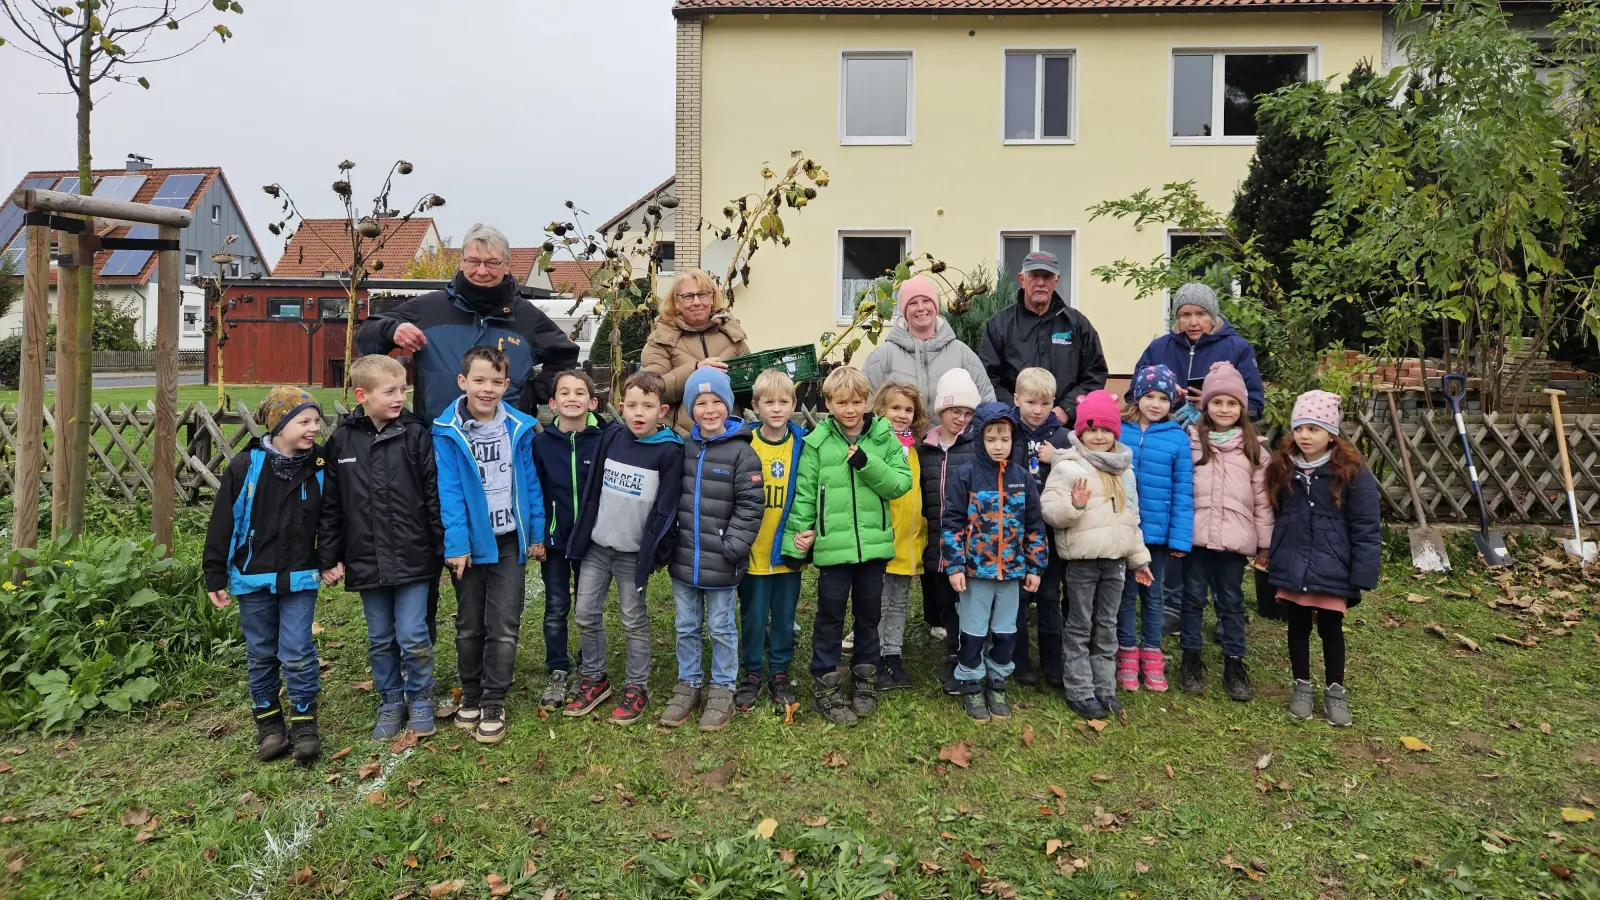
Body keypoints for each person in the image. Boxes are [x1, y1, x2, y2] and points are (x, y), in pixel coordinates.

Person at [356, 222, 579, 642]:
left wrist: (529, 391)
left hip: (502, 453)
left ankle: (489, 640)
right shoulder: (428, 308)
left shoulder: (526, 316)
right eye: (473, 261)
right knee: (428, 544)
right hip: (434, 448)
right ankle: (417, 646)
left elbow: (564, 359)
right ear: (460, 262)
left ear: (507, 265)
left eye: (492, 263)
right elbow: (365, 339)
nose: (481, 270)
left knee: (494, 543)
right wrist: (390, 330)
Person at [318, 355, 444, 740]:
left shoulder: (416, 434)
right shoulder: (341, 441)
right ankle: (391, 697)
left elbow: (433, 494)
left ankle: (421, 694)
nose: (399, 397)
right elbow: (332, 505)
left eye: (403, 389)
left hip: (413, 555)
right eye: (390, 391)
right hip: (365, 558)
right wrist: (329, 555)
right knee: (381, 636)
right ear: (362, 395)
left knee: (412, 633)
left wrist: (442, 548)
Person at [781, 366, 913, 726]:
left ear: (867, 401)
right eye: (842, 402)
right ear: (828, 402)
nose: (851, 409)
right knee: (830, 616)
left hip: (873, 547)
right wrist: (799, 537)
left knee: (869, 615)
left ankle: (865, 678)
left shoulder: (884, 437)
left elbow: (901, 483)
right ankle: (826, 683)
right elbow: (806, 493)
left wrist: (867, 464)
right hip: (833, 549)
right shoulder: (818, 443)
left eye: (857, 401)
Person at [204, 386, 328, 765]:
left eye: (316, 420)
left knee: (296, 650)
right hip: (252, 577)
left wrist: (331, 557)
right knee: (261, 652)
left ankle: (305, 722)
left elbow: (333, 518)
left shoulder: (320, 465)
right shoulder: (245, 467)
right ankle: (270, 724)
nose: (314, 428)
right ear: (279, 425)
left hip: (300, 577)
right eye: (304, 421)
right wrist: (215, 575)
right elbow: (223, 522)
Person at [432, 347, 546, 745]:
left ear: (506, 386)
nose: (488, 389)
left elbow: (529, 483)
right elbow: (448, 491)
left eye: (496, 382)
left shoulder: (519, 427)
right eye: (479, 380)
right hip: (470, 545)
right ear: (463, 382)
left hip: (509, 540)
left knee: (504, 624)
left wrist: (534, 533)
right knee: (469, 623)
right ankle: (472, 689)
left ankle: (494, 697)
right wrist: (457, 543)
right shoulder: (446, 431)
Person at [564, 370, 684, 725]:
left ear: (661, 410)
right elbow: (592, 490)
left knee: (633, 619)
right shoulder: (612, 436)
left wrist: (658, 553)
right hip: (599, 547)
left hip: (633, 554)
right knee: (585, 612)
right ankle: (595, 677)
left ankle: (637, 686)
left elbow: (668, 507)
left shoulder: (669, 451)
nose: (638, 413)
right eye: (631, 405)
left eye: (647, 406)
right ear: (621, 407)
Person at [1264, 391, 1381, 728]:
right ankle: (1302, 685)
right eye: (1300, 428)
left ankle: (1335, 691)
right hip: (1294, 562)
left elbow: (1365, 524)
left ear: (1331, 433)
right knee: (1297, 626)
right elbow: (1275, 512)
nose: (1305, 436)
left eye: (1314, 429)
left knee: (1331, 628)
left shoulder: (1351, 470)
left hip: (1333, 564)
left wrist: (1362, 572)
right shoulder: (1283, 466)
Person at [662, 368, 764, 732]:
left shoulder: (742, 453)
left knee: (721, 626)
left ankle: (723, 685)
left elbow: (751, 506)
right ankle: (689, 681)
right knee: (686, 625)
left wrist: (733, 546)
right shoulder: (682, 448)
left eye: (716, 401)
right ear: (690, 408)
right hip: (684, 558)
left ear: (728, 405)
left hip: (721, 560)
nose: (709, 410)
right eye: (700, 403)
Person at [1041, 390, 1154, 722]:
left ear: (1115, 432)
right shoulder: (1068, 465)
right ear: (1081, 432)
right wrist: (1074, 506)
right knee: (1080, 625)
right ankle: (1079, 689)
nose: (1099, 436)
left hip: (1115, 563)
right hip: (1082, 563)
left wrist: (1139, 559)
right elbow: (1050, 510)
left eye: (1105, 430)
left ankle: (1105, 688)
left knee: (1107, 625)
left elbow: (1130, 518)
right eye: (1092, 429)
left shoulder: (1124, 470)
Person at [941, 403, 1050, 723]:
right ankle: (972, 682)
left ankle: (997, 681)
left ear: (1013, 439)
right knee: (973, 632)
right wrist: (955, 565)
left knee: (1006, 631)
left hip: (1013, 572)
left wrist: (1035, 567)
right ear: (980, 440)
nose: (998, 445)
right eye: (991, 439)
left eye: (1004, 439)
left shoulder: (1022, 479)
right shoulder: (966, 476)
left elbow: (1034, 525)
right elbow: (952, 524)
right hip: (975, 572)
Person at [1180, 361, 1273, 703]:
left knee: (1231, 602)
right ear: (1205, 405)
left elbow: (1263, 500)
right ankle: (1191, 659)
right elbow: (1181, 490)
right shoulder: (1190, 443)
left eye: (1231, 403)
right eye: (1217, 402)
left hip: (1234, 542)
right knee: (1192, 599)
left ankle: (1235, 663)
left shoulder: (1255, 450)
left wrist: (1264, 543)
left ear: (1242, 408)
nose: (1224, 409)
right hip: (1195, 538)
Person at [530, 370, 606, 712]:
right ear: (552, 403)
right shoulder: (541, 444)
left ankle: (589, 667)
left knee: (588, 609)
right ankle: (558, 669)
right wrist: (540, 535)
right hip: (556, 542)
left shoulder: (605, 439)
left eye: (580, 392)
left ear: (592, 402)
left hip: (593, 542)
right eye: (564, 392)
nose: (571, 398)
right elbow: (536, 492)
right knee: (556, 606)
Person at [1116, 365, 1193, 694]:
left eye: (1164, 398)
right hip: (1125, 530)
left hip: (1158, 536)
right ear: (1137, 396)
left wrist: (1179, 538)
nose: (1156, 403)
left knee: (1154, 596)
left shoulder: (1177, 438)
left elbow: (1183, 491)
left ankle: (1151, 654)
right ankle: (1127, 654)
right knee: (1126, 595)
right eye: (1150, 396)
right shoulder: (1121, 431)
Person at [737, 369, 807, 714]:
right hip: (752, 549)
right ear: (755, 405)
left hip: (788, 548)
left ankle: (779, 670)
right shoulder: (743, 442)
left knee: (783, 614)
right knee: (752, 615)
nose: (776, 409)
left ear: (794, 404)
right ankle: (751, 670)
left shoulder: (804, 444)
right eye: (769, 402)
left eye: (783, 401)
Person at [979, 251, 1107, 425]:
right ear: (1022, 279)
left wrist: (1066, 409)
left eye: (1047, 276)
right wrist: (1015, 411)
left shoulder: (1077, 324)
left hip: (1065, 429)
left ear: (1056, 279)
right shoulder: (1000, 324)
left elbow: (1095, 374)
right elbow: (987, 377)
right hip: (1013, 427)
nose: (1040, 282)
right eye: (1034, 276)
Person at [916, 368, 982, 695]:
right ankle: (953, 654)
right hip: (933, 542)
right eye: (956, 411)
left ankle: (964, 660)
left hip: (967, 545)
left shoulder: (976, 447)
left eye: (968, 413)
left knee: (965, 603)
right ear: (941, 409)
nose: (962, 418)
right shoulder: (924, 449)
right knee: (943, 603)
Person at [1011, 367, 1073, 689]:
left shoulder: (1062, 438)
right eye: (1031, 402)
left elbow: (1078, 470)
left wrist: (1058, 457)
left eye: (1045, 404)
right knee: (1018, 599)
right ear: (1017, 399)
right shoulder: (1009, 433)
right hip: (1015, 532)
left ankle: (1053, 664)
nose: (1038, 410)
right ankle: (1020, 662)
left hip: (1048, 534)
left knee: (1050, 597)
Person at [1130, 282, 1265, 424]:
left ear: (1213, 317)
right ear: (1177, 318)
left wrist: (1213, 405)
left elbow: (1255, 407)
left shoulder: (1239, 349)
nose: (1193, 322)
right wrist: (1162, 396)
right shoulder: (1157, 348)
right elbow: (1132, 396)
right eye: (1185, 315)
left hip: (1215, 440)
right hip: (1164, 437)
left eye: (1201, 314)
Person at [861, 273, 995, 412]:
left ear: (935, 305)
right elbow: (864, 405)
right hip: (893, 434)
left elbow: (987, 401)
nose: (920, 308)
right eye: (912, 303)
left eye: (926, 301)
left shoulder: (962, 354)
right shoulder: (882, 357)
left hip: (953, 434)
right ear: (904, 310)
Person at [869, 379, 928, 692]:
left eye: (909, 409)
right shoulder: (875, 447)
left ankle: (894, 653)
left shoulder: (914, 452)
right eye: (896, 408)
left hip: (908, 542)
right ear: (881, 409)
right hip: (882, 540)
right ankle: (874, 656)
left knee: (899, 602)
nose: (902, 414)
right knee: (878, 602)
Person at [641, 269, 751, 433]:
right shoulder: (661, 339)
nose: (697, 302)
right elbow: (650, 390)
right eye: (688, 296)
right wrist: (695, 371)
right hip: (679, 440)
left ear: (712, 298)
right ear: (676, 302)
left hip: (728, 438)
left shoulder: (733, 335)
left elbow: (751, 391)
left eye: (703, 295)